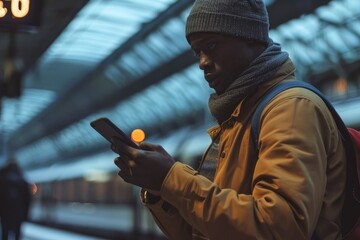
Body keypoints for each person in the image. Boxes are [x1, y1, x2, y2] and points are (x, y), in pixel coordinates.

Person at [110, 0, 347, 239]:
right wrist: (160, 187)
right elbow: (202, 231)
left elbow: (279, 228)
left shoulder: (290, 108)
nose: (203, 62)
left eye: (211, 46)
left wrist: (171, 178)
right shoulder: (236, 120)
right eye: (197, 53)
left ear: (250, 37)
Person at [0, 161, 31, 240]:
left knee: (4, 234)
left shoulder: (2, 180)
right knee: (17, 234)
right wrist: (25, 214)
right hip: (18, 213)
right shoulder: (22, 181)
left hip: (4, 213)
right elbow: (27, 200)